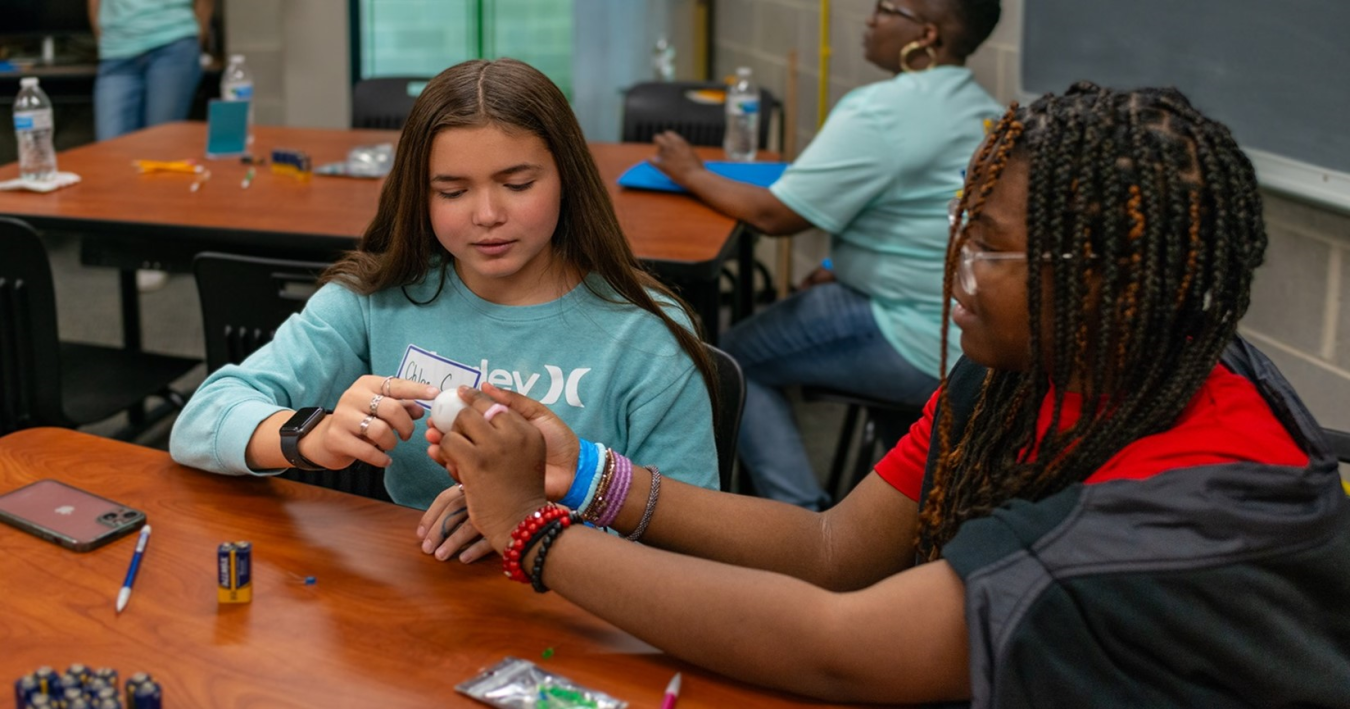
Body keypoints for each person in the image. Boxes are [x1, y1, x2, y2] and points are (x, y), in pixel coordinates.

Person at [428, 83, 1350, 705]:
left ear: (1101, 281)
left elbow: (836, 640)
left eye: (987, 245)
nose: (955, 264)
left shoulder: (1156, 522)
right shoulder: (1052, 366)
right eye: (964, 224)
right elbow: (833, 545)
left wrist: (531, 531)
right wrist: (582, 474)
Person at [170, 59, 720, 563]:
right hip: (419, 599)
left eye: (518, 184)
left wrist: (529, 526)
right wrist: (312, 437)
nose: (487, 214)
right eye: (453, 191)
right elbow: (200, 421)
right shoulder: (378, 296)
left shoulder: (646, 336)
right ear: (421, 195)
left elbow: (698, 542)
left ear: (567, 181)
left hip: (582, 617)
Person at [649, 0, 1004, 509]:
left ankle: (798, 521)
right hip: (962, 332)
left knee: (730, 362)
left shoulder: (883, 109)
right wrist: (841, 264)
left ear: (925, 35)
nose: (871, 19)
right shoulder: (982, 107)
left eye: (886, 9)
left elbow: (776, 216)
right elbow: (924, 215)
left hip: (908, 328)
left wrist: (690, 172)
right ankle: (899, 520)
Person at [89, 0, 214, 291]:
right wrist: (106, 37)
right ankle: (129, 251)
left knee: (162, 153)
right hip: (117, 50)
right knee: (109, 158)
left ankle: (155, 255)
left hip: (172, 41)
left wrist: (196, 37)